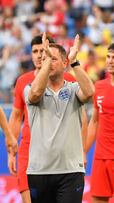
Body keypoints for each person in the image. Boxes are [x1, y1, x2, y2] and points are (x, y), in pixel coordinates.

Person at [7, 34, 83, 203]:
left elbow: (81, 117)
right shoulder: (23, 82)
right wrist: (11, 152)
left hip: (62, 156)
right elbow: (16, 115)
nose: (39, 55)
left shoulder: (68, 79)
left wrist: (82, 150)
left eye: (43, 50)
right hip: (29, 149)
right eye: (35, 51)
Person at [24, 33, 94, 203]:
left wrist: (75, 61)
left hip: (70, 171)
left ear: (65, 63)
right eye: (44, 59)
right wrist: (47, 60)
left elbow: (90, 92)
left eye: (52, 59)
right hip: (39, 171)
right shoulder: (30, 88)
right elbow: (34, 94)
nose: (46, 61)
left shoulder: (73, 89)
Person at [85, 42, 114, 203]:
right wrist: (83, 151)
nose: (110, 61)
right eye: (108, 57)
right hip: (101, 156)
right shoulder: (99, 86)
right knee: (97, 198)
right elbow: (95, 121)